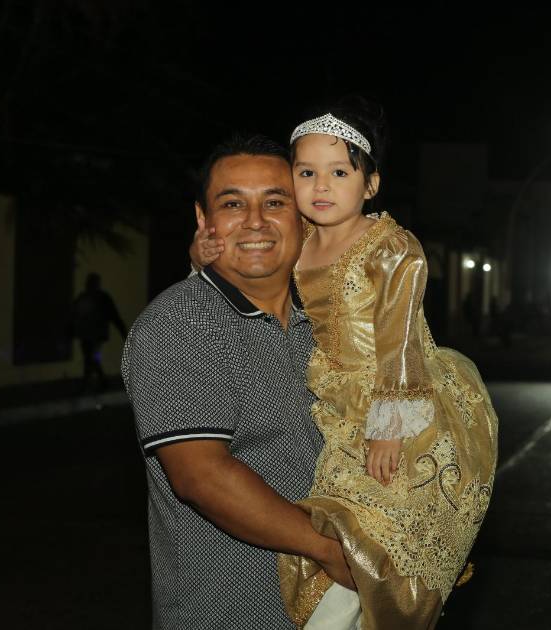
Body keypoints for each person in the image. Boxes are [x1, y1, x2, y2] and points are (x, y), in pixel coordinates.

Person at [192, 101, 498, 629]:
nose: (321, 186)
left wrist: (390, 427)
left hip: (396, 404)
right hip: (336, 407)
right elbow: (249, 265)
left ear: (371, 184)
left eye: (339, 173)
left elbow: (401, 341)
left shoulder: (391, 248)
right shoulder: (302, 239)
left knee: (381, 538)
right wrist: (204, 255)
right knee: (338, 537)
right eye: (306, 173)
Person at [121, 135, 354, 629]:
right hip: (229, 613)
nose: (255, 221)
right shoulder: (181, 324)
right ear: (203, 220)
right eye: (232, 204)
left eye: (275, 202)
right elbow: (201, 476)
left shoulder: (328, 324)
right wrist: (332, 551)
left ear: (303, 217)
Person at [71, 273, 127, 390]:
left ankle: (92, 381)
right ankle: (99, 380)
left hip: (93, 334)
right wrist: (124, 332)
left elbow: (114, 316)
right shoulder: (99, 297)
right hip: (92, 334)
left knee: (91, 356)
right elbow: (115, 316)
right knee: (92, 357)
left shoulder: (92, 297)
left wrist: (124, 332)